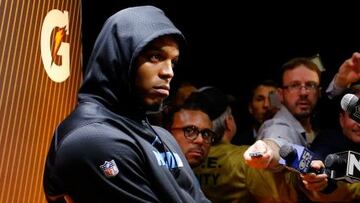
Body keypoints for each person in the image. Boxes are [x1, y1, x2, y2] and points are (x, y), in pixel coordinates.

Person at [43, 6, 210, 203]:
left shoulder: (162, 136)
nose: (168, 72)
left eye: (173, 62)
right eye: (155, 57)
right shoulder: (92, 139)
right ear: (119, 57)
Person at [232, 80, 279, 145]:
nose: (266, 105)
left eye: (272, 98)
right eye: (260, 99)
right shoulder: (237, 143)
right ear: (250, 107)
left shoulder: (291, 137)